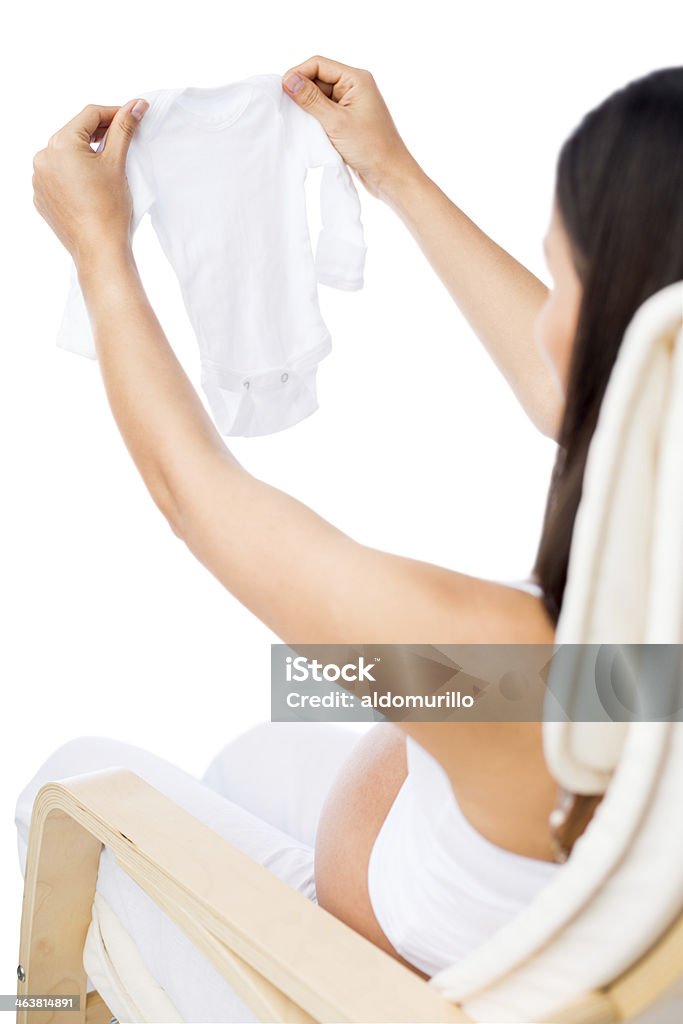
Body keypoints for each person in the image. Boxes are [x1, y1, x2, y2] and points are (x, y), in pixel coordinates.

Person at [22, 57, 683, 1019]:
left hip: (361, 986)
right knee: (253, 751)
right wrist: (392, 171)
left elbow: (198, 496)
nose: (546, 324)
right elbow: (576, 393)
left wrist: (98, 245)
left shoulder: (511, 670)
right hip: (484, 903)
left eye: (558, 278)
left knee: (72, 769)